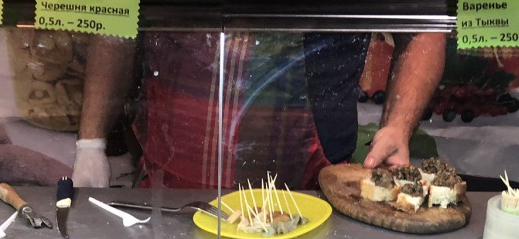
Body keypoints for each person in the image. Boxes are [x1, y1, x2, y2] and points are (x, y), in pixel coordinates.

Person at [71, 30, 445, 190]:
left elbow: (423, 30)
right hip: (171, 189)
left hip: (310, 188)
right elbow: (115, 20)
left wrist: (398, 125)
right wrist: (90, 143)